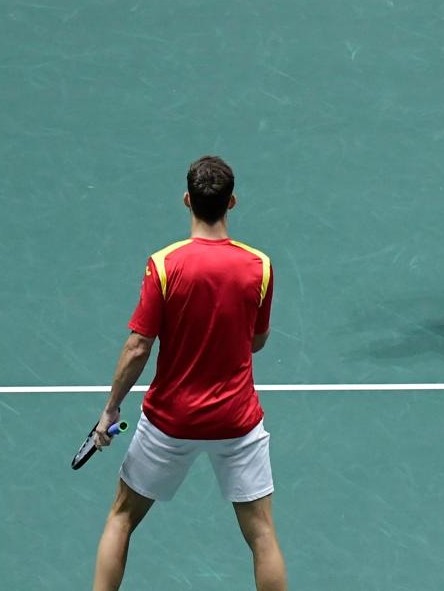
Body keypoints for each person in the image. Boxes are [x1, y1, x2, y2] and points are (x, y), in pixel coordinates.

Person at [90, 156, 288, 590]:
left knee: (121, 518)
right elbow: (256, 341)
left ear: (187, 201)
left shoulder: (163, 265)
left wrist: (110, 411)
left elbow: (138, 346)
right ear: (231, 203)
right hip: (235, 423)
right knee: (262, 535)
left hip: (170, 422)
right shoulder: (260, 266)